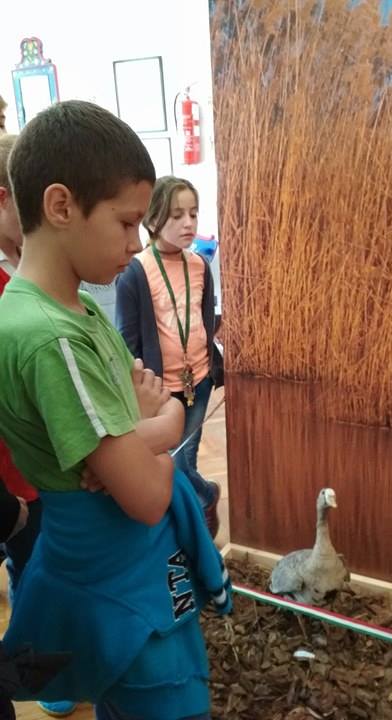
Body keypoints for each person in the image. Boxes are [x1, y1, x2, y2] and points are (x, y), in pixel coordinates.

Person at [0, 100, 231, 720]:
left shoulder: (77, 308)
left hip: (122, 570)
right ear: (60, 205)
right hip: (117, 579)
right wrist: (166, 424)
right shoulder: (53, 339)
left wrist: (134, 437)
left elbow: (136, 419)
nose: (136, 243)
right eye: (127, 223)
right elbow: (147, 497)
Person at [0, 132, 78, 718]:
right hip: (14, 480)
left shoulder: (19, 274)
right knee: (35, 572)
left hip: (31, 476)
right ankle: (37, 673)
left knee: (36, 565)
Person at [116, 176, 224, 539]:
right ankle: (204, 499)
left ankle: (192, 520)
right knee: (173, 464)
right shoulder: (135, 272)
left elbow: (205, 319)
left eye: (193, 213)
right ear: (152, 219)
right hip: (162, 391)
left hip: (200, 381)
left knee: (185, 459)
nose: (189, 223)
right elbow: (127, 342)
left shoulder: (200, 266)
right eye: (177, 215)